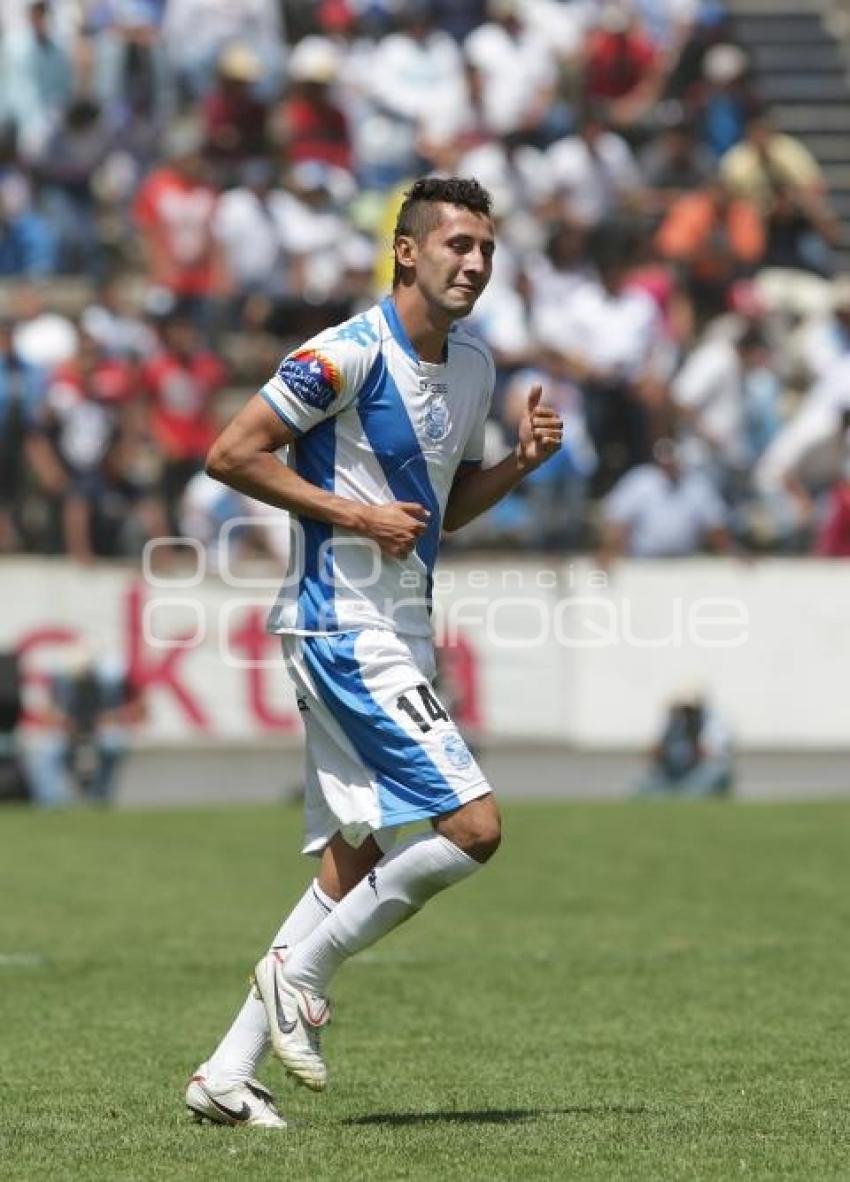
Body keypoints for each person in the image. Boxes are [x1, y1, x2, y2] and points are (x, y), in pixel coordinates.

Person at [185, 176, 564, 1128]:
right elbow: (231, 453)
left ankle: (225, 1075)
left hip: (400, 631)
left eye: (485, 249)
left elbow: (438, 512)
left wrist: (517, 465)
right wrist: (351, 512)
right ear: (407, 250)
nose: (474, 264)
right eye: (457, 246)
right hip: (341, 627)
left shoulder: (472, 368)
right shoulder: (344, 354)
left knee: (354, 860)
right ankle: (299, 973)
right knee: (473, 828)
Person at [635, 687, 734, 798]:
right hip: (672, 774)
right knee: (641, 786)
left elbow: (712, 753)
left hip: (697, 773)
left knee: (714, 772)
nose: (685, 713)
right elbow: (656, 752)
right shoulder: (672, 725)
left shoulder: (710, 722)